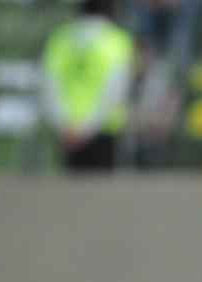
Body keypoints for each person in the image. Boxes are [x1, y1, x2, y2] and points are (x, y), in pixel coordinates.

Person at [41, 0, 134, 172]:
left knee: (68, 193)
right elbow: (116, 91)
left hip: (67, 130)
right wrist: (87, 128)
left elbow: (50, 86)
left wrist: (67, 125)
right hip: (104, 129)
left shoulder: (60, 39)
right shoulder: (117, 41)